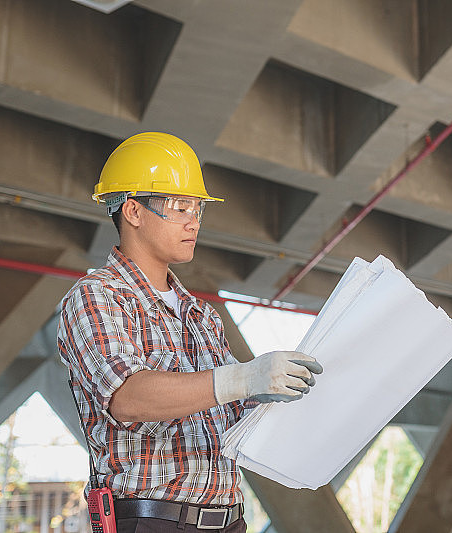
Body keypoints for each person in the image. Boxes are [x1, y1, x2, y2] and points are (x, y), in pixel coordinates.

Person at [57, 132, 322, 532]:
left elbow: (231, 410)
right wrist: (244, 377)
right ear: (132, 211)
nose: (193, 221)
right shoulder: (96, 297)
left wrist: (270, 392)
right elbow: (128, 398)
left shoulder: (203, 317)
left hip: (228, 520)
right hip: (153, 522)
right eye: (180, 207)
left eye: (198, 208)